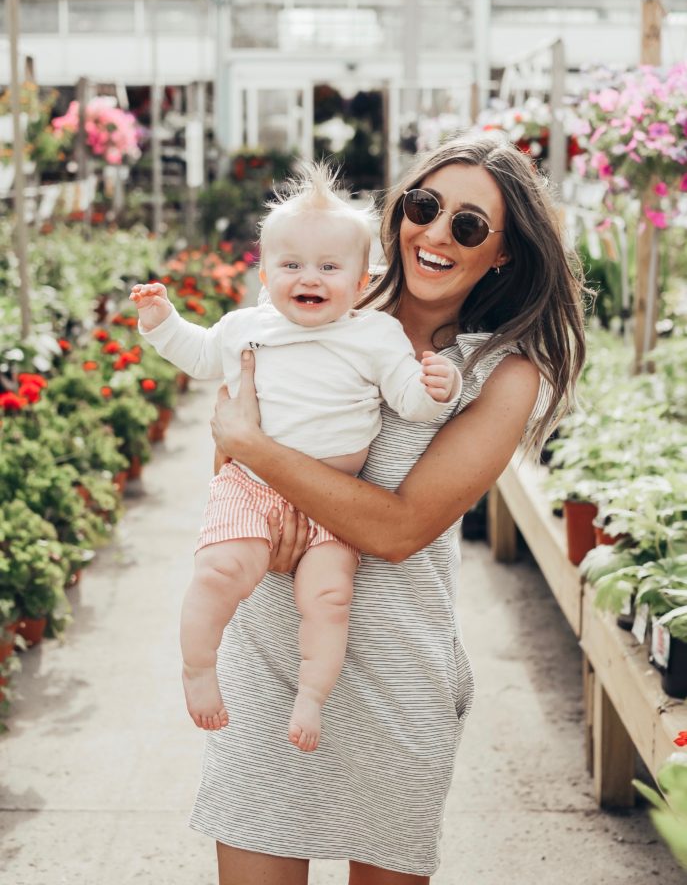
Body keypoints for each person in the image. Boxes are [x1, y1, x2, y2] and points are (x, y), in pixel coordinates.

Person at [192, 134, 587, 885]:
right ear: (399, 212)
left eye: (468, 225)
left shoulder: (501, 376)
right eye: (424, 206)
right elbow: (227, 467)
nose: (436, 233)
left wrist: (256, 446)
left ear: (502, 254)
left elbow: (399, 529)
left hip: (396, 679)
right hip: (272, 658)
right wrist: (244, 459)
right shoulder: (316, 298)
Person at [129, 167, 461, 752]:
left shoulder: (376, 336)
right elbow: (202, 357)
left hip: (335, 499)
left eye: (330, 268)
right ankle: (198, 668)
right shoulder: (246, 328)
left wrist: (440, 385)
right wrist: (163, 324)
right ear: (264, 276)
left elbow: (410, 403)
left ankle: (311, 696)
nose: (309, 277)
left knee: (330, 599)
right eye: (291, 266)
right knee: (218, 572)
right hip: (252, 484)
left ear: (362, 282)